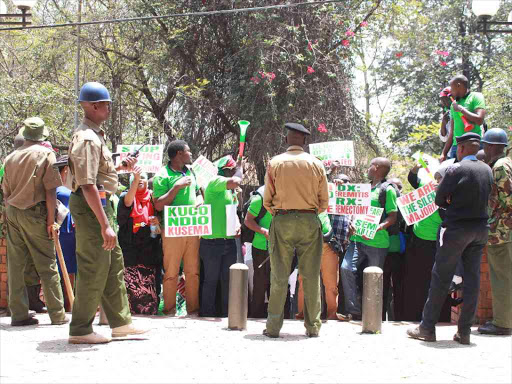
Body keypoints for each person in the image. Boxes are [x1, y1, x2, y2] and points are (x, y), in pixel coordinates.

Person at [68, 82, 147, 344]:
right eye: (106, 104)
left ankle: (121, 323)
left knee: (113, 265)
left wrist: (119, 168)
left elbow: (98, 174)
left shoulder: (95, 135)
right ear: (92, 106)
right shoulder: (88, 139)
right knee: (94, 266)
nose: (109, 108)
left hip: (100, 204)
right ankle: (80, 329)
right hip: (94, 207)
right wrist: (104, 224)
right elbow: (87, 184)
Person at [408, 133, 492, 345]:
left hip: (456, 230)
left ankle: (427, 328)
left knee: (441, 277)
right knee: (472, 281)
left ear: (461, 148)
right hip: (480, 230)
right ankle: (464, 332)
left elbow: (438, 199)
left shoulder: (456, 169)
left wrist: (449, 203)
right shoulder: (487, 170)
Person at [262, 122, 328, 338]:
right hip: (309, 220)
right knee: (310, 276)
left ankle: (273, 328)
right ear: (305, 141)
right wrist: (309, 211)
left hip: (282, 220)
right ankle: (313, 327)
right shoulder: (316, 164)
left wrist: (279, 212)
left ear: (287, 139)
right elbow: (324, 201)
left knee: (279, 276)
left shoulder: (275, 162)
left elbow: (267, 199)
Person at [2, 117, 68, 326]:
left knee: (16, 265)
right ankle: (57, 315)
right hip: (35, 213)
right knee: (47, 264)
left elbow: (5, 192)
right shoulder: (46, 154)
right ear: (42, 136)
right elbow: (50, 191)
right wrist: (51, 221)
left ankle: (19, 315)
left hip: (13, 212)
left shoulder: (10, 157)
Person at [340, 157, 397, 320]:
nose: (367, 168)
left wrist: (377, 228)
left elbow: (392, 217)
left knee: (374, 279)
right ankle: (355, 310)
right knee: (346, 268)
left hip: (377, 243)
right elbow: (355, 210)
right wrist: (351, 222)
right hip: (357, 240)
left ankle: (372, 315)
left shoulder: (388, 190)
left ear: (377, 167)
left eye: (370, 165)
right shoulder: (364, 189)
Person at [153, 140, 202, 316]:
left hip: (192, 228)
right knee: (171, 271)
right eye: (188, 151)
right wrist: (176, 187)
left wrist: (199, 201)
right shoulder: (162, 175)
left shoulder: (191, 172)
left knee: (193, 272)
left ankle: (193, 311)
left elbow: (197, 194)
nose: (191, 154)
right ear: (179, 154)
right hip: (172, 231)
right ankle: (169, 311)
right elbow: (158, 205)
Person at [400, 163, 451, 322]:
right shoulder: (425, 185)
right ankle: (415, 316)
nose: (436, 180)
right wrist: (414, 168)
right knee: (416, 282)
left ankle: (440, 317)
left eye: (440, 178)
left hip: (437, 244)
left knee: (436, 282)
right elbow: (412, 179)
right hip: (418, 242)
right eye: (435, 177)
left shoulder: (451, 193)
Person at [478, 128, 512, 336]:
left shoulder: (499, 166)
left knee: (502, 279)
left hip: (502, 231)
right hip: (506, 230)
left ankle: (503, 323)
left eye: (485, 145)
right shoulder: (508, 163)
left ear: (491, 146)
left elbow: (508, 199)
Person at [200, 155, 243, 317]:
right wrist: (240, 169)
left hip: (229, 242)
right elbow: (236, 181)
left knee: (227, 282)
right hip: (212, 243)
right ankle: (207, 314)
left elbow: (232, 209)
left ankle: (226, 314)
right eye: (231, 170)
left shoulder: (229, 191)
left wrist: (237, 223)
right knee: (211, 281)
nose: (234, 173)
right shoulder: (215, 181)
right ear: (225, 170)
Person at [117, 167, 162, 315]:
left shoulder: (153, 199)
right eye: (137, 178)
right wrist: (135, 181)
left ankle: (150, 310)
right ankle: (130, 311)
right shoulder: (126, 197)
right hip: (130, 248)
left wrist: (156, 223)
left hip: (149, 249)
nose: (140, 180)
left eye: (143, 177)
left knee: (150, 280)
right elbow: (128, 203)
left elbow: (156, 233)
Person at [296, 211, 338, 320]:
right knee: (304, 282)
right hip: (308, 245)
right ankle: (302, 314)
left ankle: (332, 315)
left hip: (327, 246)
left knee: (331, 284)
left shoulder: (332, 203)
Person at [440, 75, 486, 162]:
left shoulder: (476, 96)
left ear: (458, 85)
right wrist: (444, 153)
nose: (451, 92)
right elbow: (452, 133)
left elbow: (480, 120)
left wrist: (461, 109)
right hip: (456, 147)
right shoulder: (454, 104)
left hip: (473, 144)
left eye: (452, 89)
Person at [244, 185, 272, 318]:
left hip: (280, 247)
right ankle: (256, 315)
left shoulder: (286, 194)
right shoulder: (259, 199)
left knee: (277, 283)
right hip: (261, 247)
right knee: (260, 283)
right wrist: (263, 231)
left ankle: (275, 316)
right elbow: (248, 221)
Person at [55, 155, 77, 313]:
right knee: (66, 267)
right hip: (64, 230)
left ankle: (74, 302)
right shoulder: (57, 188)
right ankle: (68, 303)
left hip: (76, 229)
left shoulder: (73, 185)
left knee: (75, 268)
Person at [382, 177, 405, 321]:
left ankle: (398, 317)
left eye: (398, 187)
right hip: (382, 252)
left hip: (400, 254)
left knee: (399, 289)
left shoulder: (406, 206)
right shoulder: (381, 202)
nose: (395, 190)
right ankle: (380, 317)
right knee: (382, 289)